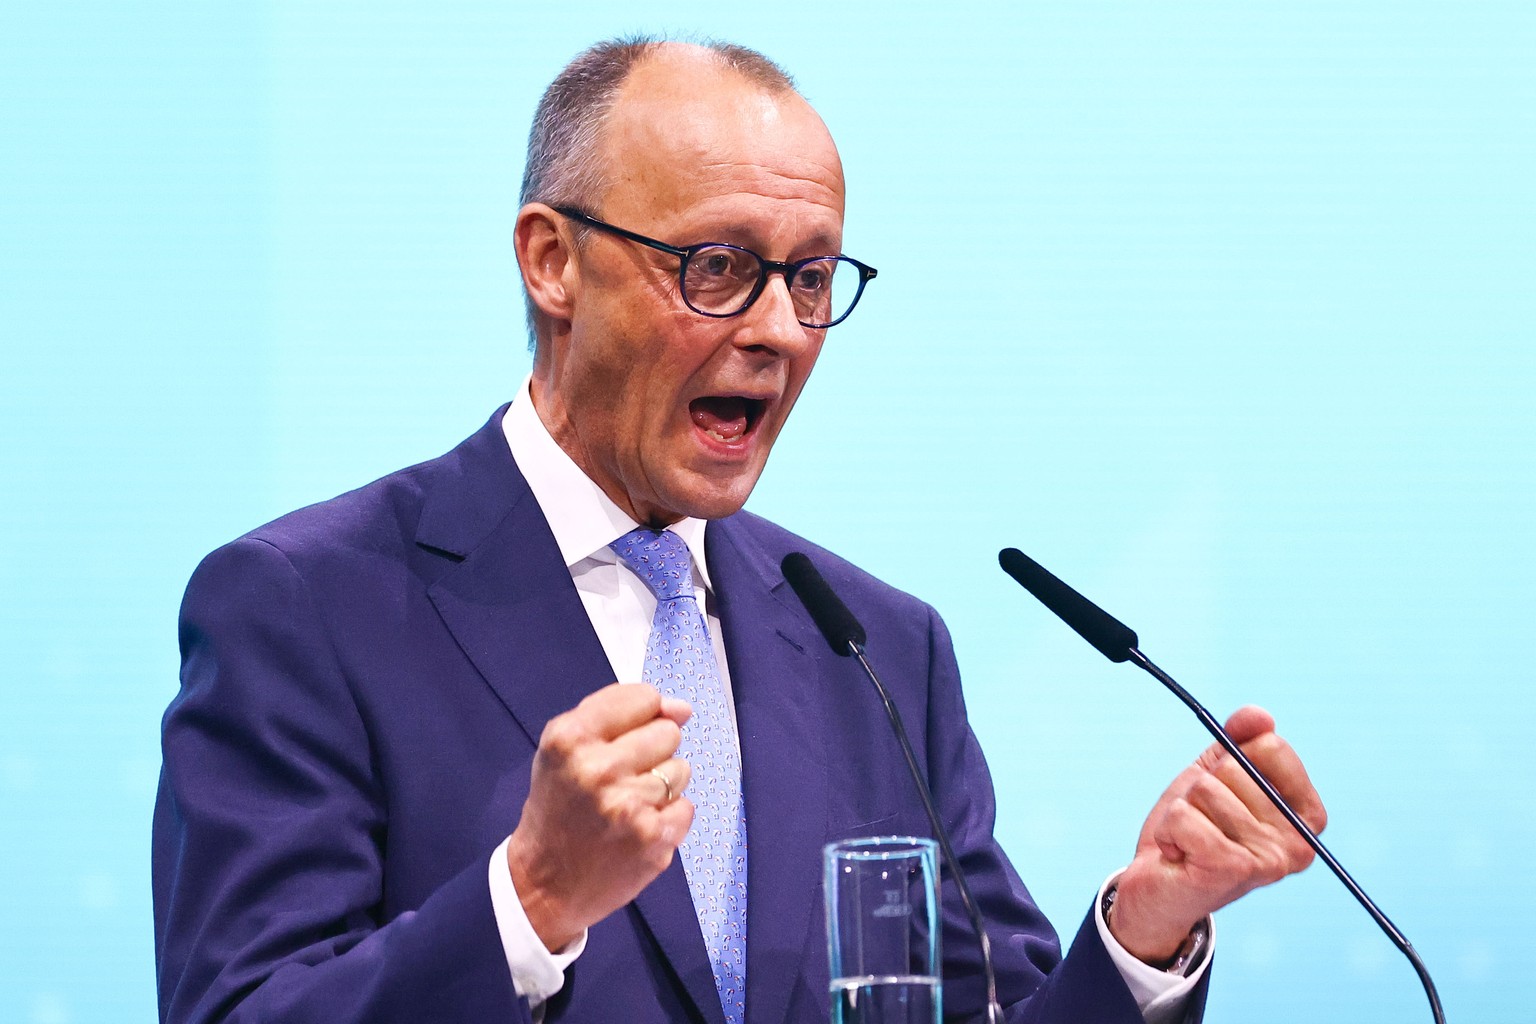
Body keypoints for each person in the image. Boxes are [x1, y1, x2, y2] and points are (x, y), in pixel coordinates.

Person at [153, 36, 1327, 1024]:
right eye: (717, 267)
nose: (780, 329)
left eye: (811, 278)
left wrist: (1148, 921)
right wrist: (530, 898)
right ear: (553, 261)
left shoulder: (876, 647)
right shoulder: (306, 604)